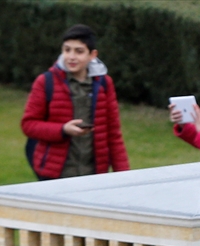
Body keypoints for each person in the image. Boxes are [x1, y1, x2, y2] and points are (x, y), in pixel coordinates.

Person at [20, 24, 129, 181]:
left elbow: (113, 134)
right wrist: (63, 129)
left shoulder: (104, 83)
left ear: (92, 55)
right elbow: (28, 125)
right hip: (54, 174)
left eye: (79, 51)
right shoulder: (45, 82)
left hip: (93, 174)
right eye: (67, 50)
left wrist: (124, 176)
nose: (71, 56)